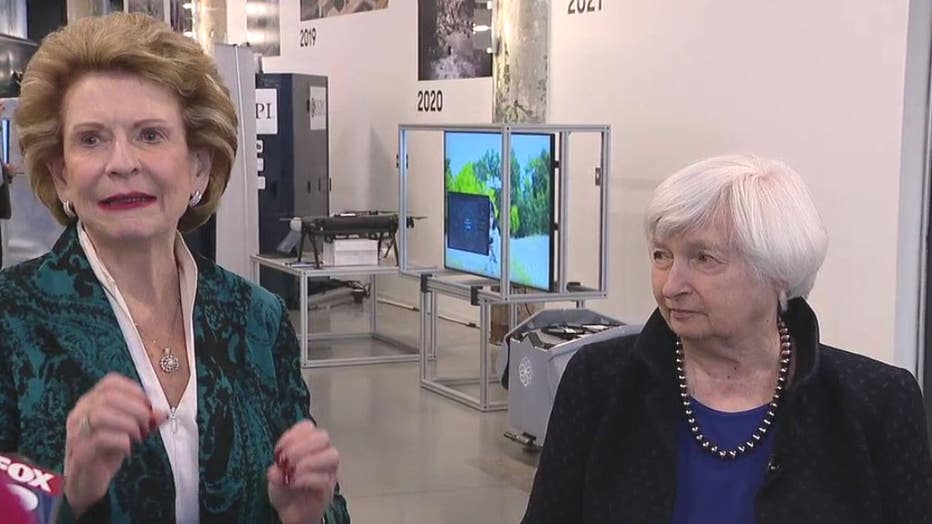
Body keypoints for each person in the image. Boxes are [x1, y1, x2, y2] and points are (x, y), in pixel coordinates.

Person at [0, 13, 349, 523]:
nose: (121, 162)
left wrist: (304, 514)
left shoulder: (257, 318)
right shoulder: (12, 319)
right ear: (62, 175)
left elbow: (327, 504)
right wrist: (69, 496)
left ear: (199, 168)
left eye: (150, 135)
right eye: (91, 139)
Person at [522, 154, 932, 523]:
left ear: (778, 272)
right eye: (661, 255)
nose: (671, 286)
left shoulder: (877, 402)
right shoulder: (598, 381)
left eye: (703, 258)